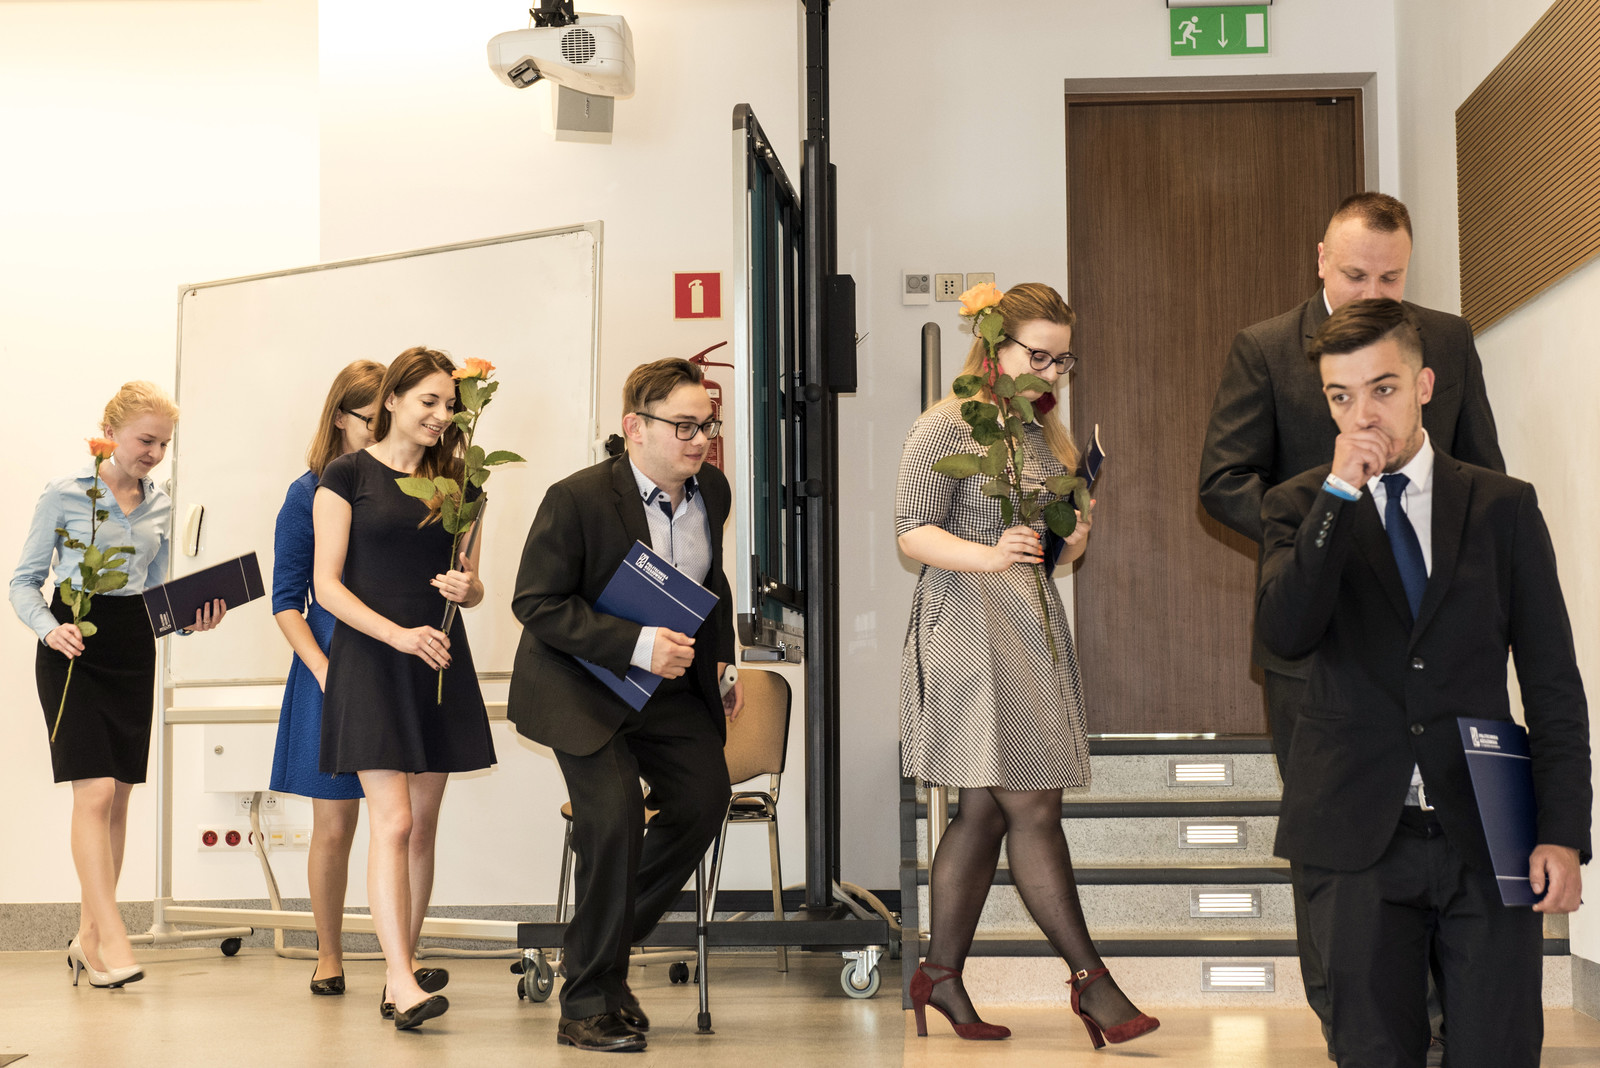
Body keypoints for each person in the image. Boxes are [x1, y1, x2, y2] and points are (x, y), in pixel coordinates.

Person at [1197, 192, 1504, 1051]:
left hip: (1430, 643)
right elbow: (1222, 481)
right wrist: (1321, 530)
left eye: (1391, 278)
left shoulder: (1446, 341)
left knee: (1446, 836)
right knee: (1336, 852)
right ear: (1321, 262)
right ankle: (1349, 1024)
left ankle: (1438, 1023)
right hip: (1318, 650)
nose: (1375, 291)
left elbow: (1482, 472)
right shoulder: (1265, 348)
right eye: (1358, 274)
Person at [1256, 298, 1590, 1068]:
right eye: (1342, 396)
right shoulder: (1300, 506)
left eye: (1383, 389)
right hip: (1356, 833)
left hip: (1487, 829)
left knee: (1500, 1049)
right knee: (1372, 1050)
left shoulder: (1503, 506)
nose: (1363, 414)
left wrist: (1563, 829)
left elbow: (1551, 681)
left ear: (1425, 385)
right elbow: (1285, 633)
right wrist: (1339, 498)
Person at [896, 283, 1157, 1049]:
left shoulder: (1044, 437)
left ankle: (940, 974)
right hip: (968, 624)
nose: (1050, 373)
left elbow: (1052, 550)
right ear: (994, 346)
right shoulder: (946, 423)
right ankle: (1091, 981)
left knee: (983, 811)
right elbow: (912, 531)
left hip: (1027, 622)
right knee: (1034, 804)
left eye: (1061, 361)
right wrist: (989, 553)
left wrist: (1073, 535)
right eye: (1038, 356)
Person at [507, 357, 742, 1054]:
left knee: (704, 799)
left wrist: (722, 658)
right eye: (684, 426)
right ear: (635, 427)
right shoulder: (577, 498)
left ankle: (595, 951)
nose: (701, 440)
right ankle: (587, 1002)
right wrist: (637, 645)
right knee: (611, 819)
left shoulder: (713, 491)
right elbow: (536, 602)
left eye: (708, 425)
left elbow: (711, 582)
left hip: (667, 688)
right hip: (582, 684)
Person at [10, 380, 226, 989]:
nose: (154, 454)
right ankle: (114, 935)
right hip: (74, 643)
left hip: (133, 646)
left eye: (164, 445)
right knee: (95, 791)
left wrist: (190, 620)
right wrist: (49, 629)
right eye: (145, 440)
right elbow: (23, 582)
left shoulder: (161, 505)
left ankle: (88, 939)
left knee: (119, 797)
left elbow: (156, 595)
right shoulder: (64, 493)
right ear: (110, 433)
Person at [312, 346, 496, 1030]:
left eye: (451, 404)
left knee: (420, 828)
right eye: (428, 401)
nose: (442, 415)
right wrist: (397, 636)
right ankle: (399, 978)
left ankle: (403, 972)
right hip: (374, 657)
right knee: (391, 821)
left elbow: (474, 583)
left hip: (437, 657)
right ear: (390, 399)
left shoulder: (463, 483)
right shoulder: (346, 474)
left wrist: (468, 590)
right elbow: (326, 587)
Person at [267, 359, 383, 996]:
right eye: (372, 418)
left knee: (402, 825)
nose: (383, 429)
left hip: (393, 662)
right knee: (334, 826)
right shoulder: (306, 491)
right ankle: (329, 956)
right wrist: (322, 669)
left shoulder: (409, 486)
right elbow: (287, 601)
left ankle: (401, 959)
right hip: (328, 666)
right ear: (340, 417)